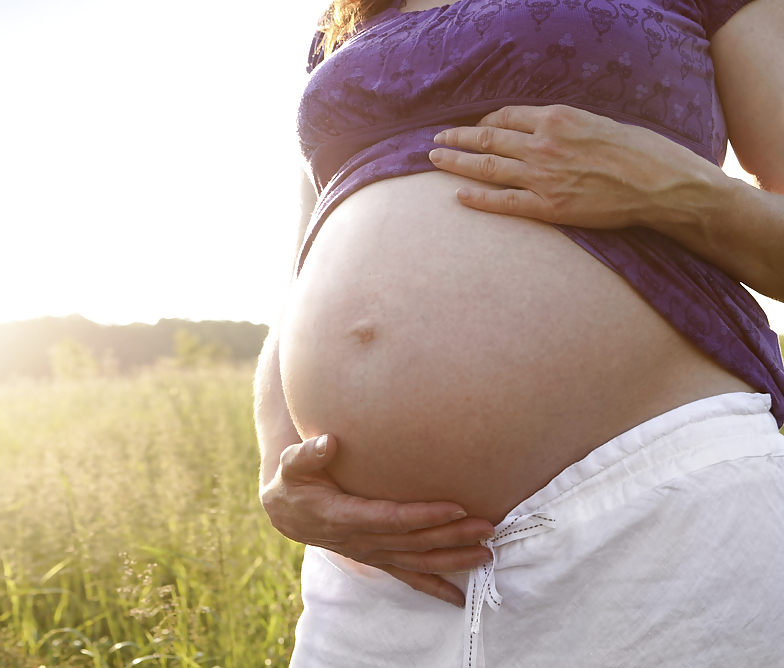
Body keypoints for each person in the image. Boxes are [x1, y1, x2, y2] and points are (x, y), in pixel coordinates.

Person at [254, 0, 784, 665]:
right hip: (381, 578)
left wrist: (673, 188)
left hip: (655, 511)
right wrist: (280, 477)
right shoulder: (348, 18)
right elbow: (304, 268)